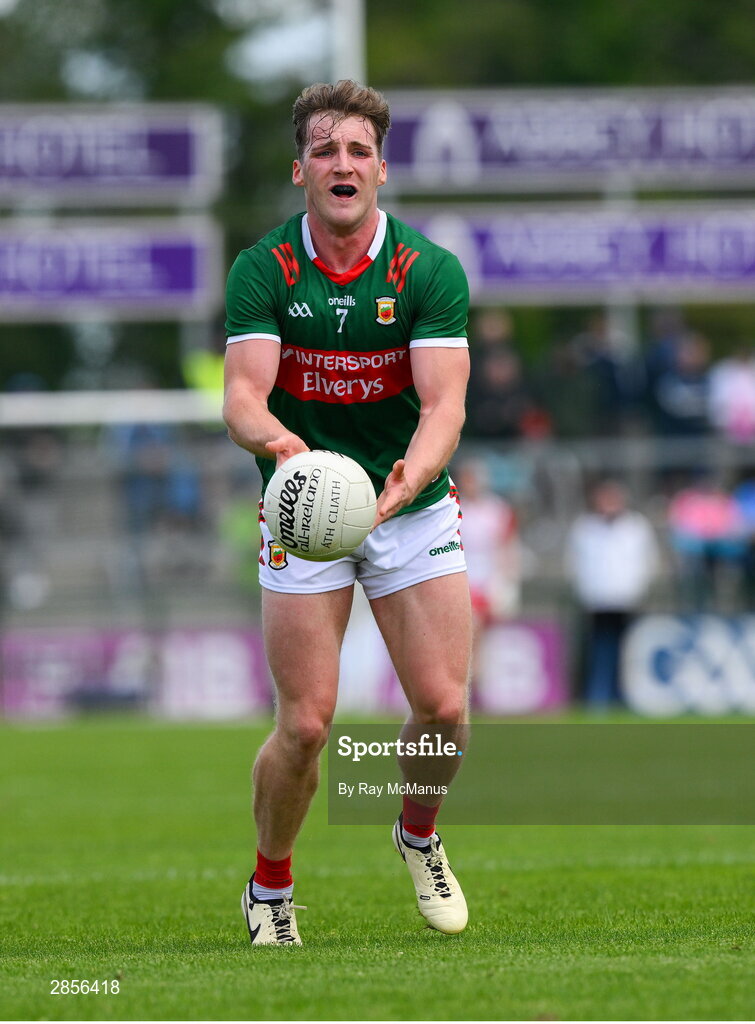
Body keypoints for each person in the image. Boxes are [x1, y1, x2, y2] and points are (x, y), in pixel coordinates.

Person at [223, 81, 472, 946]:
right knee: (305, 724)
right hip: (303, 509)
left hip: (407, 504)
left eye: (357, 150)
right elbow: (243, 399)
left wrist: (412, 476)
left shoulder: (426, 270)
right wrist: (284, 448)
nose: (342, 163)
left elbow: (443, 407)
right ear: (301, 170)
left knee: (443, 708)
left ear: (381, 169)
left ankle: (417, 834)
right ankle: (270, 887)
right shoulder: (264, 269)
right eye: (325, 150)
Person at [566, 478, 659, 707]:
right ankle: (598, 696)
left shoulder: (636, 526)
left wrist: (637, 587)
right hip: (597, 600)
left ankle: (623, 696)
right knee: (599, 649)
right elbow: (574, 563)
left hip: (627, 599)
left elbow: (648, 561)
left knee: (627, 652)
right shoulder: (585, 527)